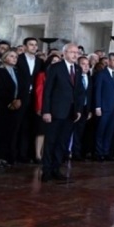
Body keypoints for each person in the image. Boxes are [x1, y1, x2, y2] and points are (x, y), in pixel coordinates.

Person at [41, 43, 85, 181]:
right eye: (72, 52)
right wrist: (46, 111)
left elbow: (79, 92)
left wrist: (78, 110)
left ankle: (56, 169)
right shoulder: (55, 67)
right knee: (51, 141)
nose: (75, 55)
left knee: (62, 142)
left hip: (71, 113)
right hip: (56, 111)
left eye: (77, 53)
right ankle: (46, 171)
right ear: (64, 53)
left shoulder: (77, 69)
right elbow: (47, 91)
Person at [93, 52, 114, 162]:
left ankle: (106, 152)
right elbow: (98, 91)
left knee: (110, 132)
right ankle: (98, 153)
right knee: (100, 131)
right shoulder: (101, 74)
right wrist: (97, 107)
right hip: (104, 108)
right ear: (109, 61)